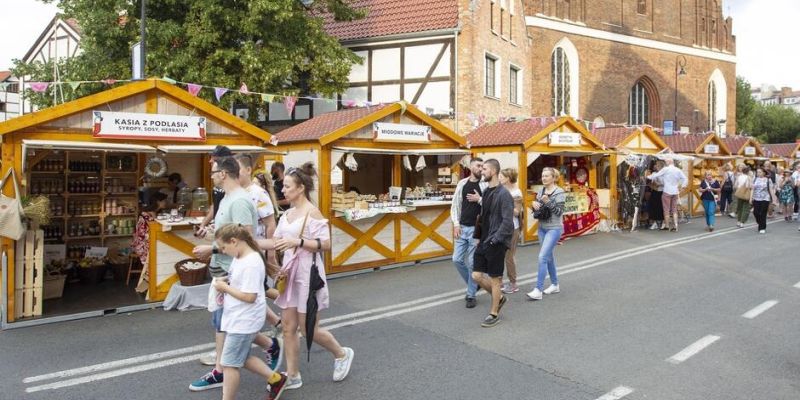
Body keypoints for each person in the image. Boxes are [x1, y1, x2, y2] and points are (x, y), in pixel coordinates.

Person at [190, 157, 283, 392]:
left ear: (223, 174)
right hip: (226, 270)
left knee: (227, 326)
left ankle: (224, 371)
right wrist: (209, 234)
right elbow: (229, 236)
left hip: (232, 272)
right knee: (225, 325)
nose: (211, 176)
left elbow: (244, 240)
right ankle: (268, 354)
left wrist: (211, 248)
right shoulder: (227, 198)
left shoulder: (240, 200)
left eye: (213, 172)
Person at [262, 162, 354, 390]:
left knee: (308, 329)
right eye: (283, 186)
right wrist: (245, 241)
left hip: (307, 275)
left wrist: (298, 242)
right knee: (287, 327)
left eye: (287, 186)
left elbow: (326, 244)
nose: (283, 190)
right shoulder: (287, 214)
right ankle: (293, 374)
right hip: (290, 275)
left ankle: (341, 354)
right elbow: (275, 242)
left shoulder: (312, 212)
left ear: (300, 188)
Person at [211, 224, 287, 400]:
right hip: (240, 318)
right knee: (241, 357)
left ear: (234, 241)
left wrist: (225, 288)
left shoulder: (250, 263)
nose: (222, 251)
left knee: (229, 364)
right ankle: (276, 379)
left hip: (244, 319)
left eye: (223, 247)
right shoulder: (242, 257)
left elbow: (250, 296)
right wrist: (226, 281)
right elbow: (241, 284)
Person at [235, 154, 282, 329]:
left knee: (255, 290)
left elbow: (271, 223)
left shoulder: (257, 193)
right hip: (240, 251)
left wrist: (271, 254)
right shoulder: (235, 192)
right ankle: (279, 319)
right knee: (255, 290)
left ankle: (291, 307)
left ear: (248, 170)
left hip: (257, 249)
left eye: (237, 169)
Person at [470, 159, 514, 328]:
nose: (482, 171)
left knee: (496, 279)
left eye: (485, 168)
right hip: (484, 240)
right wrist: (479, 236)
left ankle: (494, 313)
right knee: (476, 276)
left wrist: (496, 239)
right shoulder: (487, 191)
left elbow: (507, 222)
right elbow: (484, 218)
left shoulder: (504, 194)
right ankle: (500, 297)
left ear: (494, 171)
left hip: (496, 241)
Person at [449, 158, 487, 308]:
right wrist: (456, 224)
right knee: (456, 259)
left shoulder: (484, 184)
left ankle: (471, 294)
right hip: (462, 228)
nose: (480, 169)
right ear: (471, 167)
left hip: (476, 230)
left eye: (482, 167)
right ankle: (475, 283)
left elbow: (490, 205)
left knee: (472, 262)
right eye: (478, 166)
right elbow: (455, 205)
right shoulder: (462, 183)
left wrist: (479, 199)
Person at [526, 167, 566, 301]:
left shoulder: (559, 192)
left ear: (554, 178)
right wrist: (534, 204)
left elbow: (559, 212)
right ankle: (555, 284)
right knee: (548, 257)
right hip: (542, 227)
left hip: (554, 228)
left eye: (547, 176)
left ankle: (538, 289)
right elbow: (538, 208)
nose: (544, 178)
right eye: (543, 176)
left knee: (542, 257)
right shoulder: (540, 191)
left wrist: (547, 201)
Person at [131, 192, 168, 293]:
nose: (166, 203)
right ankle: (152, 282)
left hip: (151, 240)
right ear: (158, 202)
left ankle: (158, 281)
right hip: (142, 244)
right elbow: (142, 234)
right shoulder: (145, 215)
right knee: (157, 253)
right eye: (164, 200)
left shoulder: (158, 213)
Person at [198, 145, 234, 235]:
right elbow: (215, 206)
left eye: (213, 158)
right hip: (219, 231)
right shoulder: (217, 183)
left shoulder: (233, 185)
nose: (210, 161)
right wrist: (202, 225)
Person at [646, 158, 688, 232]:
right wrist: (683, 187)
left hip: (667, 191)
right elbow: (685, 178)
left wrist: (647, 176)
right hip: (675, 191)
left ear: (668, 162)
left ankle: (667, 225)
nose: (666, 162)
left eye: (666, 161)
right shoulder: (678, 170)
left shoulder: (666, 169)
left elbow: (656, 175)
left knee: (666, 210)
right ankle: (676, 226)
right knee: (674, 210)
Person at [499, 168, 522, 294]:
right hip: (501, 227)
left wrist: (505, 203)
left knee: (509, 256)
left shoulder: (516, 192)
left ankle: (513, 283)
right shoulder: (501, 190)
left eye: (501, 176)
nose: (499, 178)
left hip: (512, 228)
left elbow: (517, 212)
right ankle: (500, 281)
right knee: (499, 255)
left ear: (508, 178)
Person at [750, 167, 773, 234]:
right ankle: (760, 222)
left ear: (764, 172)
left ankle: (762, 228)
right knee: (756, 212)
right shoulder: (755, 179)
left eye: (760, 172)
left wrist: (774, 199)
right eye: (757, 172)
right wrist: (750, 198)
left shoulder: (768, 180)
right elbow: (752, 189)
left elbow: (771, 190)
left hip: (765, 198)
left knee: (763, 212)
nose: (758, 173)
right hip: (756, 198)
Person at [648, 161, 665, 230]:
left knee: (661, 207)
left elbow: (663, 183)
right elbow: (652, 182)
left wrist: (658, 183)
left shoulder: (664, 174)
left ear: (660, 166)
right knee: (653, 206)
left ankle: (662, 222)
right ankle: (655, 222)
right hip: (655, 191)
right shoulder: (654, 173)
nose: (655, 166)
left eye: (657, 165)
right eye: (655, 165)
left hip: (662, 192)